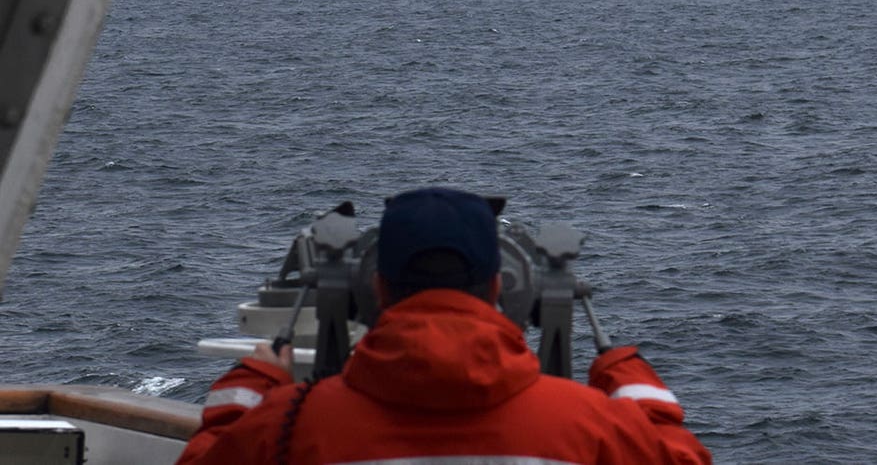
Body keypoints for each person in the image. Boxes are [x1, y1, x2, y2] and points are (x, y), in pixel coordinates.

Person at [177, 187, 712, 465]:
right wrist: (635, 390)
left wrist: (250, 390)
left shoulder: (291, 428)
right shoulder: (590, 427)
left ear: (378, 290)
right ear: (500, 288)